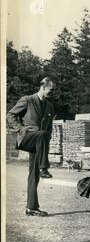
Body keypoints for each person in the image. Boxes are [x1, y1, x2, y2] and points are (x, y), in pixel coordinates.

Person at [6, 77, 55, 216]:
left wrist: (47, 140)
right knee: (41, 134)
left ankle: (31, 207)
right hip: (27, 138)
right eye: (51, 89)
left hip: (39, 142)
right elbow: (10, 115)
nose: (53, 92)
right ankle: (44, 167)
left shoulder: (50, 106)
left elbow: (49, 128)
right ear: (43, 87)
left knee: (33, 175)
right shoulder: (27, 100)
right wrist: (21, 128)